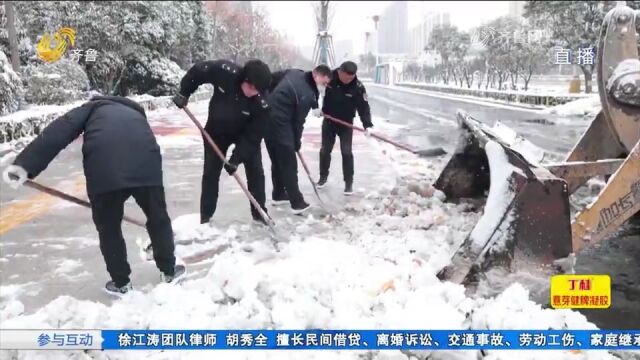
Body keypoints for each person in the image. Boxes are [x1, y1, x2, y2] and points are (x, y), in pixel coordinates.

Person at [2, 96, 185, 296]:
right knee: (158, 218)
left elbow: (59, 131)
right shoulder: (136, 113)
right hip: (146, 168)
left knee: (109, 228)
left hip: (104, 172)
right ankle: (168, 271)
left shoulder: (91, 108)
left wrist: (24, 165)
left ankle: (121, 283)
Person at [172, 59, 272, 225]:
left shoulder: (263, 104)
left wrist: (236, 159)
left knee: (256, 173)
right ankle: (206, 217)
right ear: (244, 78)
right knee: (211, 173)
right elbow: (198, 71)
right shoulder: (225, 72)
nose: (253, 92)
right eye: (251, 87)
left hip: (244, 135)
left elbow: (253, 136)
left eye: (257, 90)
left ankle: (260, 213)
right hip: (216, 132)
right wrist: (184, 92)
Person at [264, 65, 332, 214]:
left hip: (266, 117)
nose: (324, 86)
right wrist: (296, 142)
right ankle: (297, 202)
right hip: (280, 121)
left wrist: (266, 97)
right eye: (324, 82)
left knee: (277, 159)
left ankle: (278, 194)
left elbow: (272, 78)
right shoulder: (305, 94)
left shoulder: (297, 73)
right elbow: (298, 122)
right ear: (316, 76)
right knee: (289, 161)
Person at [317, 61, 373, 195]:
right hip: (329, 121)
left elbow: (363, 108)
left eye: (351, 78)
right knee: (325, 151)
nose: (349, 80)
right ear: (340, 72)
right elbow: (314, 89)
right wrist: (315, 106)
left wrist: (367, 125)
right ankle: (323, 177)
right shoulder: (329, 78)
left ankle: (348, 183)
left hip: (346, 124)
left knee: (346, 152)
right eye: (346, 77)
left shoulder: (358, 87)